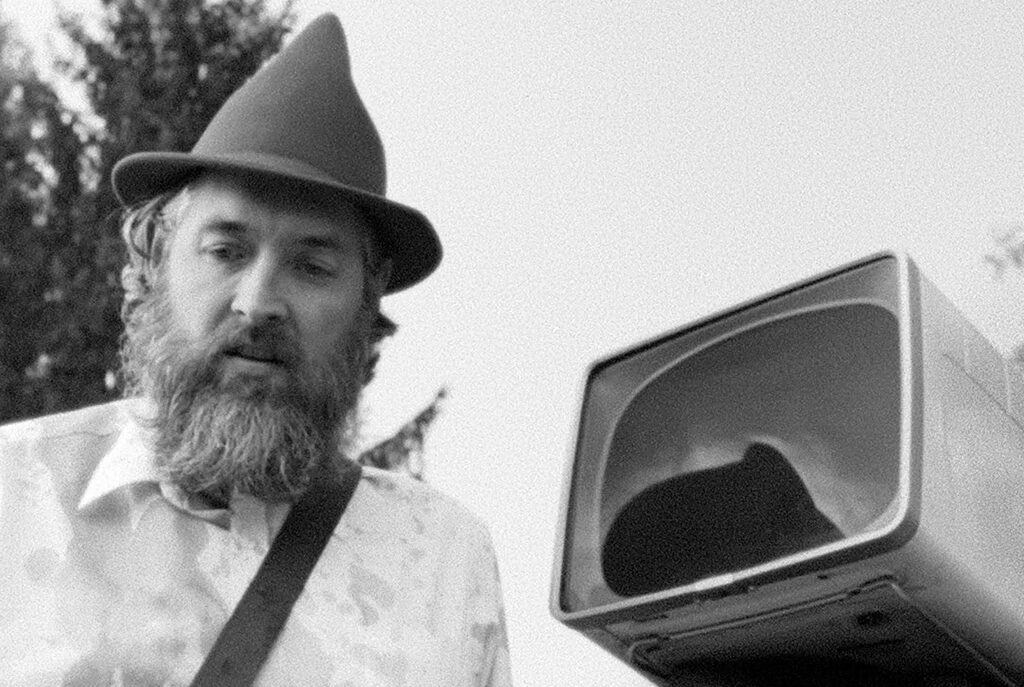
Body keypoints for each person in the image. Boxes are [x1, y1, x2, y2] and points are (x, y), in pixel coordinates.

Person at [0, 14, 511, 687]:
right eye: (226, 250)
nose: (258, 301)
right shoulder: (14, 496)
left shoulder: (442, 558)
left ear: (367, 303)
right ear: (154, 262)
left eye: (313, 266)